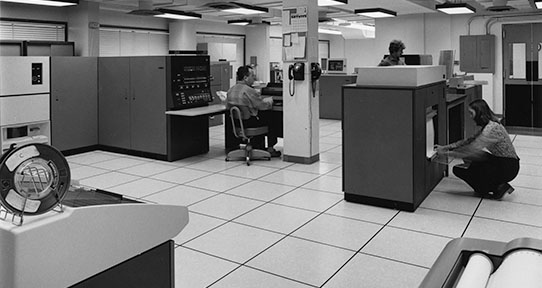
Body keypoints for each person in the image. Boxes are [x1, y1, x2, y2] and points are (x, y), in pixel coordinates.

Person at [435, 99, 520, 200]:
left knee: (460, 169)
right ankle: (495, 184)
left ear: (480, 113)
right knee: (472, 159)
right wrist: (444, 147)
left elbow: (469, 150)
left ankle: (497, 187)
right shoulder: (491, 124)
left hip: (508, 167)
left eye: (471, 113)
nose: (470, 117)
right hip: (505, 162)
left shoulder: (490, 129)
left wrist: (445, 154)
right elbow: (467, 141)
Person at [226, 65, 281, 157]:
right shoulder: (249, 90)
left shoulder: (230, 90)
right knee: (272, 116)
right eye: (252, 76)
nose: (254, 78)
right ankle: (271, 149)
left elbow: (228, 107)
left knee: (262, 116)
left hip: (237, 123)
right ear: (245, 78)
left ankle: (257, 145)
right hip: (250, 123)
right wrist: (270, 101)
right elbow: (262, 106)